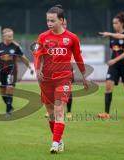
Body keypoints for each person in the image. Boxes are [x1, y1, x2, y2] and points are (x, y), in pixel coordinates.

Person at [34, 5, 87, 153]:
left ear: (61, 20)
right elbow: (38, 55)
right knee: (50, 113)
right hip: (46, 80)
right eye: (47, 20)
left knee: (58, 110)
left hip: (63, 78)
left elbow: (78, 57)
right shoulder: (43, 37)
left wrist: (83, 75)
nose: (49, 23)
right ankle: (59, 140)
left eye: (52, 20)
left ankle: (55, 144)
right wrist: (37, 69)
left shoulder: (72, 38)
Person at [0, 28, 34, 117]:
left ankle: (8, 111)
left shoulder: (16, 46)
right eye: (9, 36)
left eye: (12, 36)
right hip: (2, 71)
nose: (11, 38)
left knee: (9, 88)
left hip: (12, 71)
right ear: (4, 37)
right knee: (2, 91)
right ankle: (9, 105)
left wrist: (30, 67)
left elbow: (24, 58)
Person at [98, 12, 124, 119]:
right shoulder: (112, 38)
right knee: (108, 87)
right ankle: (106, 113)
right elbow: (112, 50)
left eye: (116, 23)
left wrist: (114, 60)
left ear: (122, 23)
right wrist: (111, 60)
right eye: (113, 23)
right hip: (114, 66)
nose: (114, 25)